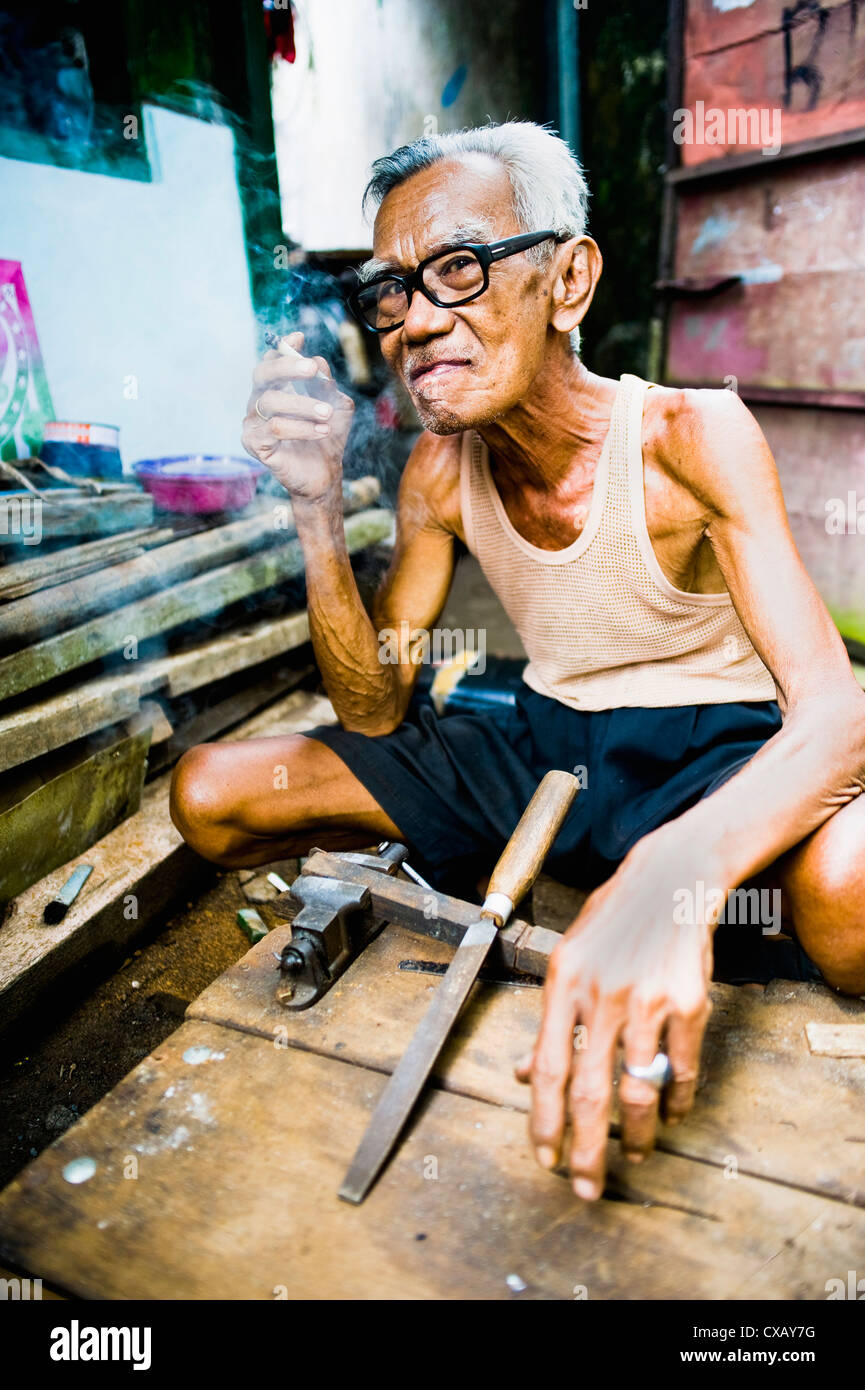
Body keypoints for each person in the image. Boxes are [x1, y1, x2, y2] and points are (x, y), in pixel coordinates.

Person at [170, 122, 865, 1202]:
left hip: (707, 758)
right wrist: (313, 511)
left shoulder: (689, 437)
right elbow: (372, 705)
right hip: (540, 746)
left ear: (568, 281)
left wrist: (672, 870)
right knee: (210, 794)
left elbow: (836, 717)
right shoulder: (437, 472)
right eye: (392, 292)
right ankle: (547, 871)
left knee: (851, 892)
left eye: (458, 268)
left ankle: (641, 888)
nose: (416, 321)